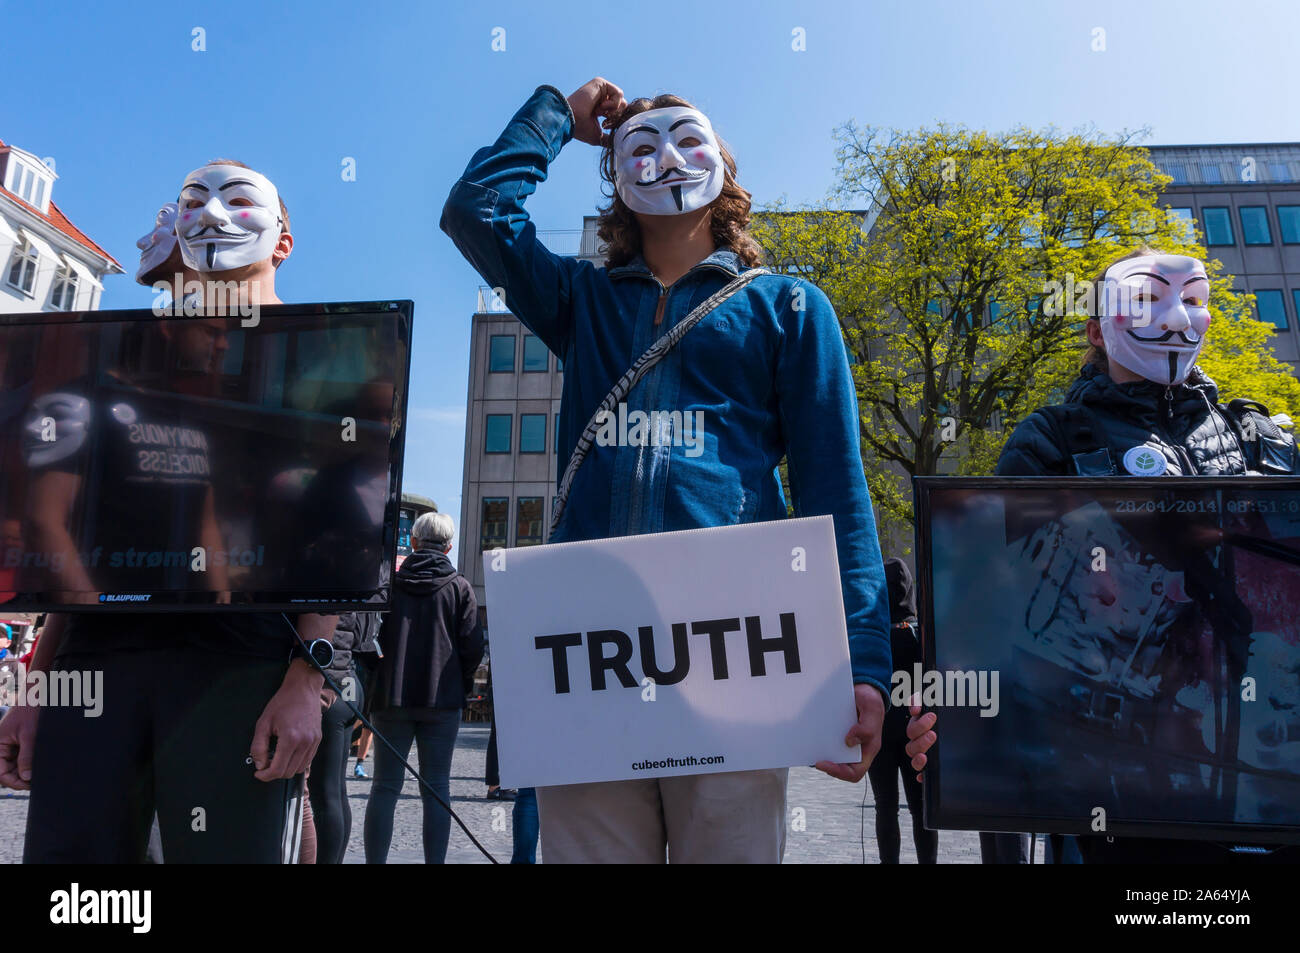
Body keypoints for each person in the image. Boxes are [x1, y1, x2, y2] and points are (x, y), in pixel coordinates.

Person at [441, 77, 937, 863]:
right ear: (615, 179)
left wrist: (865, 661)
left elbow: (836, 493)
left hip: (736, 657)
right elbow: (476, 211)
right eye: (639, 146)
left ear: (726, 170)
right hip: (591, 653)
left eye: (688, 140)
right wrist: (558, 118)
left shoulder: (791, 309)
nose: (666, 157)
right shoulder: (580, 299)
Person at [0, 160, 339, 863]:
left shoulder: (318, 362)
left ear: (282, 240)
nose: (210, 215)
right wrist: (38, 682)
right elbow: (71, 538)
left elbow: (332, 537)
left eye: (236, 201)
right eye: (192, 202)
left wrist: (309, 675)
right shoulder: (126, 369)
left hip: (238, 663)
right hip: (103, 665)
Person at [996, 246, 1300, 864]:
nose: (1174, 319)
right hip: (1112, 775)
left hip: (1261, 763)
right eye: (1146, 298)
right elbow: (998, 601)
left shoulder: (1256, 435)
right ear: (1094, 328)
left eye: (1193, 300)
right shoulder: (1051, 441)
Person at [364, 512, 483, 864]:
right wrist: (456, 683)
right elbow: (472, 647)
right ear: (448, 547)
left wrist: (379, 676)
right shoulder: (460, 588)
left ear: (413, 543)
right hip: (441, 703)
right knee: (436, 788)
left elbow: (369, 639)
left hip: (391, 699)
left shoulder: (388, 584)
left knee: (384, 787)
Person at [866, 559, 938, 864]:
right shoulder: (921, 637)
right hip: (915, 728)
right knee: (921, 806)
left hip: (881, 731)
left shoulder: (873, 642)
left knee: (885, 805)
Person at [307, 610, 376, 863]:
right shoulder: (358, 581)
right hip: (348, 679)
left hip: (327, 683)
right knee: (335, 791)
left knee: (324, 794)